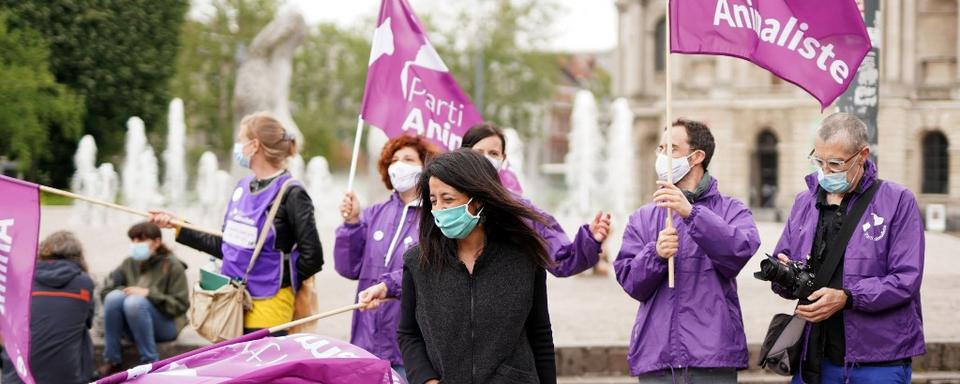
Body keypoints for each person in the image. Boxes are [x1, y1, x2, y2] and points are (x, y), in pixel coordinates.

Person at [770, 113, 924, 384]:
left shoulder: (898, 200)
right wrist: (783, 275)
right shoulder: (804, 202)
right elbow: (786, 260)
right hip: (814, 357)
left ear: (862, 155)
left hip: (878, 360)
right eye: (819, 161)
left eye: (835, 164)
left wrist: (848, 297)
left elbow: (906, 280)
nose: (825, 171)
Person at [150, 111, 324, 334]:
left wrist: (278, 279)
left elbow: (313, 256)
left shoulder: (292, 193)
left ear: (254, 145)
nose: (237, 146)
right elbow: (227, 246)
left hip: (269, 307)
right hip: (232, 301)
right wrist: (177, 224)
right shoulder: (243, 186)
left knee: (262, 369)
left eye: (240, 139)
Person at [614, 119, 760, 383]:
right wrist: (655, 254)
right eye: (660, 148)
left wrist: (692, 215)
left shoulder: (732, 210)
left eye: (672, 149)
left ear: (697, 157)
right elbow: (631, 283)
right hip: (657, 358)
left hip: (712, 359)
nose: (662, 156)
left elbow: (737, 254)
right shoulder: (643, 218)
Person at [397, 149, 556, 384]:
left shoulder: (524, 259)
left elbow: (540, 336)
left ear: (478, 199)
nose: (439, 208)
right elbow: (408, 335)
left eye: (448, 199)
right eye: (433, 201)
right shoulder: (418, 261)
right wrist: (427, 380)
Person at [334, 135, 440, 378]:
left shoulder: (435, 217)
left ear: (426, 167)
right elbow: (349, 268)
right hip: (367, 340)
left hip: (411, 344)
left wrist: (388, 286)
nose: (399, 165)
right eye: (394, 159)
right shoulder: (374, 213)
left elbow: (429, 269)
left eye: (408, 159)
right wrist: (351, 224)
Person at [462, 122, 611, 276]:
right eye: (478, 152)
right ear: (463, 153)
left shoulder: (519, 209)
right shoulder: (443, 201)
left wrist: (590, 240)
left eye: (493, 153)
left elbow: (562, 259)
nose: (486, 159)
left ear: (503, 158)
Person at [0, 231, 95, 384]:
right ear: (78, 255)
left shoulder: (22, 280)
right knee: (81, 331)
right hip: (67, 378)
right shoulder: (84, 283)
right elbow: (88, 321)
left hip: (18, 378)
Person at [96, 222, 189, 376]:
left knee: (135, 302)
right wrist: (124, 292)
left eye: (141, 240)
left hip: (166, 325)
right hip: (134, 325)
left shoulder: (173, 265)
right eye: (133, 240)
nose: (136, 244)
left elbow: (180, 305)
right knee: (113, 297)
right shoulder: (129, 263)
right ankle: (112, 360)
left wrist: (148, 294)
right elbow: (105, 291)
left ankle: (150, 363)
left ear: (157, 242)